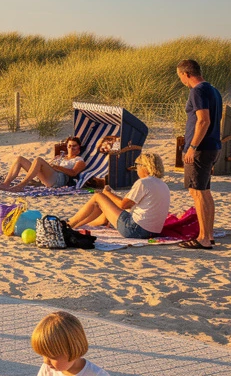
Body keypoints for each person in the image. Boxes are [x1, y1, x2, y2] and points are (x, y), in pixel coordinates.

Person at [66, 152, 170, 239]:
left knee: (98, 196)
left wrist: (107, 194)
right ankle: (79, 225)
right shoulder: (163, 185)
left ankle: (69, 224)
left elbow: (123, 205)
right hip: (153, 232)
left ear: (144, 167)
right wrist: (109, 197)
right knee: (104, 206)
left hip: (135, 230)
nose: (137, 171)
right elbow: (129, 204)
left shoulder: (143, 182)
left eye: (137, 167)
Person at [177, 59, 222, 249]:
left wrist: (192, 147)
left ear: (186, 74)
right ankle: (208, 235)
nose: (181, 80)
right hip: (212, 145)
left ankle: (204, 238)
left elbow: (203, 120)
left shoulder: (197, 90)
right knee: (204, 191)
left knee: (197, 192)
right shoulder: (213, 89)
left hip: (201, 148)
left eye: (180, 76)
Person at [0, 136, 86, 192]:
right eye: (69, 146)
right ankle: (6, 184)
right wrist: (53, 163)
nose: (71, 148)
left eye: (74, 146)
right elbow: (49, 166)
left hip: (59, 179)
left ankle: (21, 185)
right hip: (49, 177)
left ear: (79, 148)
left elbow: (73, 173)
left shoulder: (79, 160)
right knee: (19, 159)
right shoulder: (60, 157)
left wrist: (57, 167)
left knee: (38, 160)